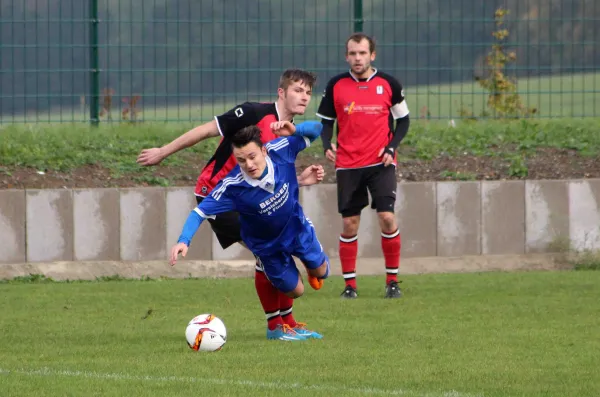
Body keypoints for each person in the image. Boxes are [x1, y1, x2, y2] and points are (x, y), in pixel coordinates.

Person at [137, 69, 324, 340]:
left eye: (308, 92)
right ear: (281, 92)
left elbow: (269, 180)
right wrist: (163, 152)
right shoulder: (252, 113)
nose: (304, 97)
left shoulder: (289, 133)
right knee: (266, 250)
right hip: (218, 196)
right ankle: (277, 327)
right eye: (297, 90)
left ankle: (287, 324)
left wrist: (299, 181)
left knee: (276, 248)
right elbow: (207, 130)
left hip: (248, 199)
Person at [170, 121, 329, 341]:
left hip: (297, 228)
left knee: (322, 273)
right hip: (268, 246)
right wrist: (183, 240)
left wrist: (295, 131)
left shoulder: (282, 149)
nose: (249, 164)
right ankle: (275, 305)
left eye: (252, 156)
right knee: (297, 291)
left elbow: (317, 129)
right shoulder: (232, 187)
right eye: (241, 160)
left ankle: (311, 266)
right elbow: (199, 212)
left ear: (264, 150)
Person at [316, 33, 410, 299]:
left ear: (372, 55)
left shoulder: (389, 84)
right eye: (353, 53)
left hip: (381, 162)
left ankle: (392, 282)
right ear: (347, 56)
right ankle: (350, 286)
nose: (357, 58)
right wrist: (326, 145)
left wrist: (392, 147)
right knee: (350, 224)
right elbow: (325, 122)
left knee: (387, 217)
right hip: (348, 164)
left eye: (362, 53)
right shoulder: (336, 85)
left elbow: (403, 121)